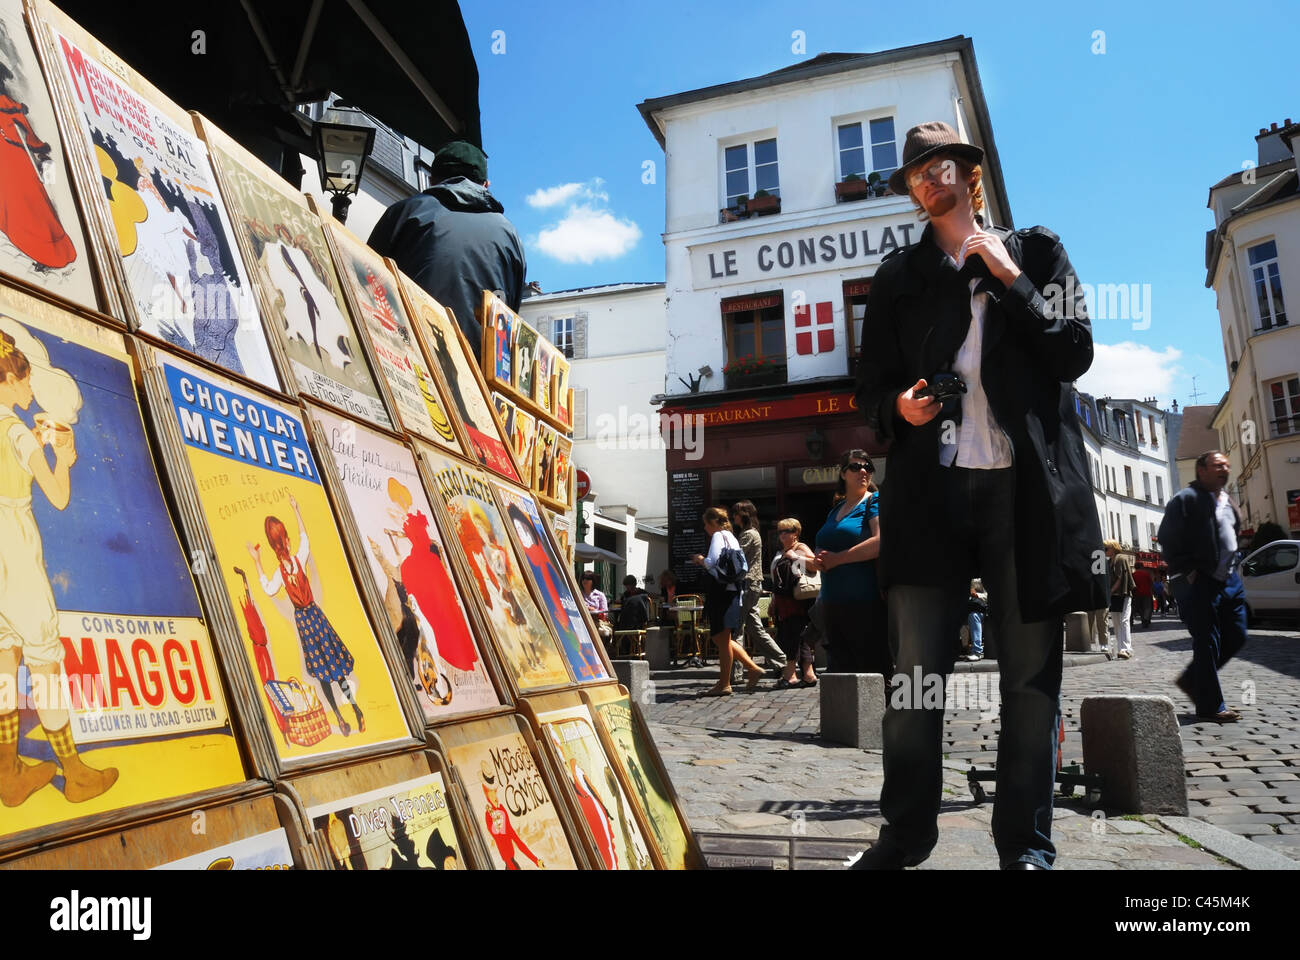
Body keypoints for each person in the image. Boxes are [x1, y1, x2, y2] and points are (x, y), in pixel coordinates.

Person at [851, 121, 1105, 871]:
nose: (929, 180)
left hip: (1024, 490)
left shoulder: (1036, 250)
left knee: (1030, 678)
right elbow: (869, 388)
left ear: (971, 173)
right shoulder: (898, 276)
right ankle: (905, 835)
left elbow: (1075, 350)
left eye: (941, 166)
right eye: (916, 174)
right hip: (931, 491)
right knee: (916, 679)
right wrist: (899, 409)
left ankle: (1025, 845)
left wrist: (1011, 280)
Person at [0, 330, 117, 805]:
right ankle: (76, 775)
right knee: (45, 662)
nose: (30, 390)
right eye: (25, 378)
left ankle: (7, 774)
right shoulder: (16, 431)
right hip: (15, 546)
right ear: (8, 379)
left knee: (4, 661)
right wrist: (63, 459)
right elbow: (59, 497)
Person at [368, 140, 525, 349]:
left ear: (431, 180)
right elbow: (510, 314)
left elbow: (364, 277)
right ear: (486, 185)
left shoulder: (404, 212)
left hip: (409, 353)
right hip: (478, 370)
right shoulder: (510, 236)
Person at [248, 496, 365, 736]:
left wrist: (257, 562)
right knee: (337, 666)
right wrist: (296, 509)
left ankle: (340, 717)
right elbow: (305, 541)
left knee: (322, 671)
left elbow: (269, 588)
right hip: (315, 614)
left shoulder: (280, 573)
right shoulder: (298, 559)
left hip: (304, 621)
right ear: (287, 541)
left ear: (273, 547)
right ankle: (355, 709)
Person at [1159, 451, 1248, 723]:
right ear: (1201, 471)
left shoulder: (1227, 500)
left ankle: (1192, 679)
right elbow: (1167, 537)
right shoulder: (1185, 500)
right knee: (1207, 641)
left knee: (1236, 635)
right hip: (1200, 579)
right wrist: (1189, 570)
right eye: (1218, 465)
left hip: (1229, 579)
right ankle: (1211, 705)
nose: (1224, 469)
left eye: (1227, 466)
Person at [811, 449, 889, 677]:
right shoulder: (835, 509)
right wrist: (817, 560)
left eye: (868, 467)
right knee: (841, 673)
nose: (863, 471)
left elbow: (879, 542)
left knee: (871, 672)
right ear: (843, 473)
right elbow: (823, 544)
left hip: (864, 602)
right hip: (832, 603)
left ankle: (883, 714)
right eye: (855, 467)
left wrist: (837, 559)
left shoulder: (874, 501)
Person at [692, 507, 766, 695]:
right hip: (732, 592)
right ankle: (752, 668)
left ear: (713, 523)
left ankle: (724, 683)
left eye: (706, 524)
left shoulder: (718, 536)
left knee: (722, 640)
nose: (705, 528)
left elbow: (712, 561)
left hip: (721, 593)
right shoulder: (732, 537)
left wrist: (700, 559)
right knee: (721, 637)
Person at [731, 500, 787, 674]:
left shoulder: (748, 534)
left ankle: (736, 672)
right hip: (753, 584)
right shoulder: (753, 533)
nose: (733, 517)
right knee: (755, 628)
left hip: (747, 584)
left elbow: (734, 559)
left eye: (736, 513)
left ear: (743, 515)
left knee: (736, 628)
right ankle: (781, 661)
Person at [769, 518, 817, 688]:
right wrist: (774, 600)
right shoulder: (781, 550)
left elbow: (815, 565)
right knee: (796, 637)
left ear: (796, 532)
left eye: (786, 531)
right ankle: (809, 674)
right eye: (780, 531)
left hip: (797, 601)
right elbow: (778, 579)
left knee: (793, 637)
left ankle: (790, 675)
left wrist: (795, 557)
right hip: (783, 601)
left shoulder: (800, 548)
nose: (782, 534)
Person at [1105, 540, 1135, 659]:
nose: (1105, 551)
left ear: (1113, 548)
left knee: (1124, 621)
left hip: (1123, 594)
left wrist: (1110, 591)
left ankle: (1126, 648)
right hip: (1114, 595)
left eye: (1106, 548)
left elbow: (1120, 577)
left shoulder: (1120, 558)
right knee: (1117, 623)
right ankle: (1121, 649)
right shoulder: (1109, 562)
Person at [580, 570, 612, 644]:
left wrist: (593, 610)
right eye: (583, 578)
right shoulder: (578, 594)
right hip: (582, 621)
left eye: (587, 579)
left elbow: (605, 613)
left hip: (596, 621)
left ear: (592, 581)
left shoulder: (600, 595)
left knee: (603, 633)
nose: (584, 580)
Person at [964, 579, 987, 662]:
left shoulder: (979, 580)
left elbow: (989, 595)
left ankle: (977, 652)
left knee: (973, 616)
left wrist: (977, 595)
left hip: (979, 609)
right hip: (966, 608)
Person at [1132, 563, 1154, 629]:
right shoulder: (1146, 574)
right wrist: (1152, 591)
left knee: (1140, 608)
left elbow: (1132, 585)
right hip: (1147, 593)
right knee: (1147, 608)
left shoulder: (1133, 575)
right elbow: (1151, 583)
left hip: (1137, 594)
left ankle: (1142, 619)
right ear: (1141, 567)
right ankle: (1146, 620)